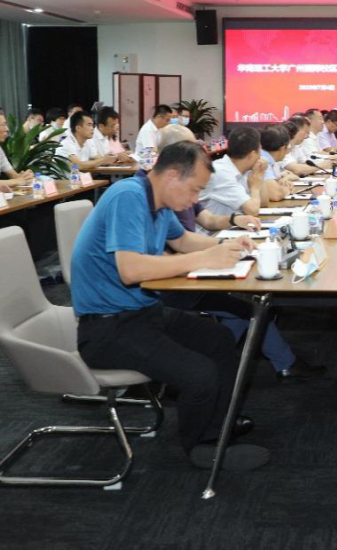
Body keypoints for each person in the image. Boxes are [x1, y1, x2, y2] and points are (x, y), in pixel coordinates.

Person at [71, 141, 269, 470]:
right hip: (107, 328)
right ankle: (201, 446)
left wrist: (230, 245)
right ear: (173, 175)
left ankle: (217, 427)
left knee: (218, 339)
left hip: (142, 314)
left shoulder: (160, 201)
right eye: (195, 190)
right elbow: (131, 270)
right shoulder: (128, 196)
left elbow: (183, 241)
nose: (195, 200)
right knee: (199, 374)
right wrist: (207, 257)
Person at [144, 126, 325, 382]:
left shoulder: (173, 190)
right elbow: (141, 264)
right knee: (249, 305)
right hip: (169, 284)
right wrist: (208, 255)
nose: (196, 198)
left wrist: (230, 231)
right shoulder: (146, 194)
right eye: (193, 149)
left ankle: (252, 362)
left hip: (184, 267)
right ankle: (269, 362)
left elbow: (190, 232)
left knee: (248, 305)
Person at [200, 127, 268, 216]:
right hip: (214, 225)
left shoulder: (243, 170)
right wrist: (254, 188)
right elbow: (253, 210)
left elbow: (263, 202)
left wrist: (261, 172)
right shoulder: (221, 173)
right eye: (259, 151)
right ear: (252, 154)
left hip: (232, 224)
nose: (260, 156)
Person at [259, 126, 296, 201]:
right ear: (282, 149)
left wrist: (280, 183)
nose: (287, 152)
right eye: (287, 147)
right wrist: (286, 189)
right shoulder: (262, 160)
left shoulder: (268, 158)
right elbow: (276, 195)